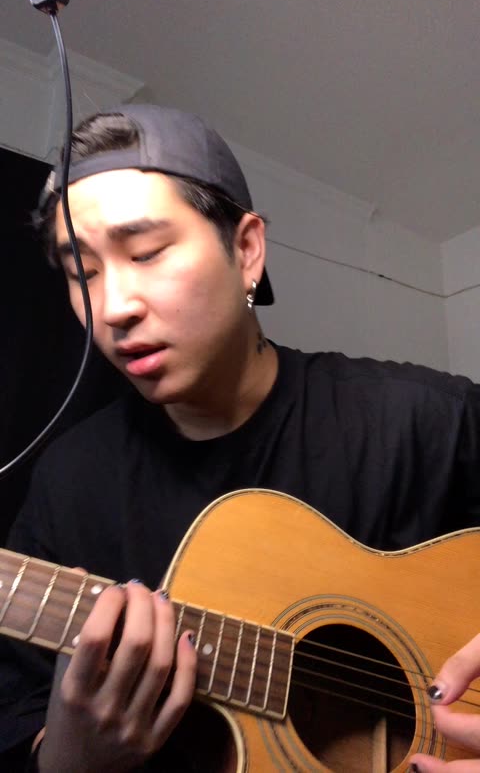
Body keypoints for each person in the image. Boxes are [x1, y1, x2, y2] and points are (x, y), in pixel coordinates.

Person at [1, 103, 480, 772]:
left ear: (247, 249)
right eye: (82, 273)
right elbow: (17, 709)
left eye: (146, 252)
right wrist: (65, 761)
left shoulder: (428, 420)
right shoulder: (67, 484)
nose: (112, 308)